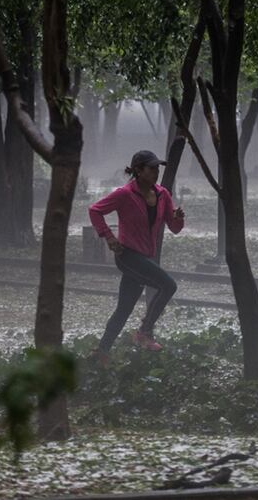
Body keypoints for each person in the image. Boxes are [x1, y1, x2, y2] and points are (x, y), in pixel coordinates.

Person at [88, 150, 186, 360]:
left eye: (158, 168)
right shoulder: (124, 194)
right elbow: (95, 210)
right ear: (138, 170)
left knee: (124, 308)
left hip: (146, 257)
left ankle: (101, 352)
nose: (156, 172)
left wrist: (178, 218)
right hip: (128, 255)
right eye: (151, 168)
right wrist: (109, 237)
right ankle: (145, 332)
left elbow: (174, 227)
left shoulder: (163, 195)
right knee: (169, 285)